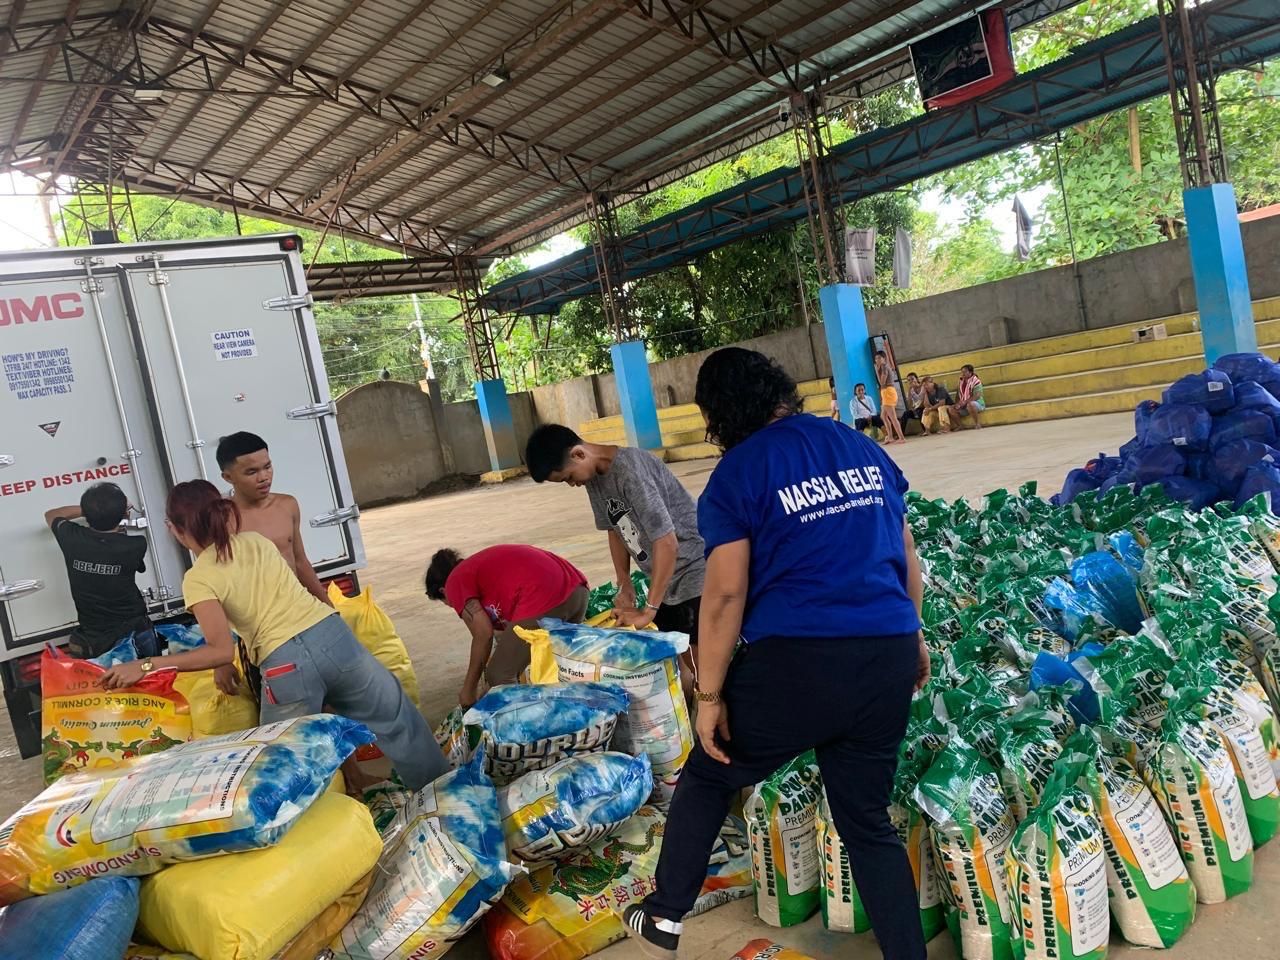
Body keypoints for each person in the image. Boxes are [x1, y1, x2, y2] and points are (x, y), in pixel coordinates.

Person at [620, 348, 929, 960]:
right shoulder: (859, 445)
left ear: (719, 414)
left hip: (800, 665)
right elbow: (905, 553)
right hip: (886, 654)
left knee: (710, 773)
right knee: (866, 823)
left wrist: (710, 696)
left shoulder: (739, 472)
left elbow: (724, 594)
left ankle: (663, 916)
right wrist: (913, 635)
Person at [97, 480, 447, 790]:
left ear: (173, 529)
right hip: (334, 639)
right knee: (399, 720)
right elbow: (262, 601)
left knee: (282, 766)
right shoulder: (256, 542)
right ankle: (447, 799)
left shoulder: (199, 578)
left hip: (286, 667)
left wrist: (145, 665)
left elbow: (220, 650)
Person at [524, 424, 706, 674]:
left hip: (693, 569)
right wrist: (624, 580)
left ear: (579, 454)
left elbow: (667, 542)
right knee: (683, 660)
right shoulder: (594, 478)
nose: (572, 484)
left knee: (703, 664)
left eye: (568, 477)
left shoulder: (630, 472)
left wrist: (649, 610)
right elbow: (614, 528)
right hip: (664, 576)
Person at [424, 545, 589, 707]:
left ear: (443, 591)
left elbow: (483, 634)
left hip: (545, 596)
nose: (455, 606)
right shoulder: (481, 571)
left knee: (499, 674)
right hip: (577, 591)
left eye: (448, 603)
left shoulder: (454, 581)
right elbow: (505, 641)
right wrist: (491, 688)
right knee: (560, 668)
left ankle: (524, 723)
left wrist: (469, 689)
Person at [44, 483, 157, 659]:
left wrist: (89, 510)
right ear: (125, 514)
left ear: (87, 514)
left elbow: (51, 514)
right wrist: (116, 509)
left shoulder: (71, 538)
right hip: (134, 632)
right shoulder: (135, 545)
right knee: (152, 674)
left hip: (93, 637)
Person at [216, 432, 330, 605]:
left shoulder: (288, 505)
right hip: (261, 616)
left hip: (299, 606)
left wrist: (328, 606)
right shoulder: (223, 519)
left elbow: (300, 561)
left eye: (267, 467)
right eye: (252, 472)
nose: (264, 477)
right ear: (228, 477)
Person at [876, 349, 906, 444]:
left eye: (879, 358)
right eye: (876, 358)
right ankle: (890, 437)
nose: (877, 360)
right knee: (883, 416)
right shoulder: (884, 367)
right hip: (886, 392)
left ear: (884, 358)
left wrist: (877, 371)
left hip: (888, 392)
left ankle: (901, 437)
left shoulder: (884, 367)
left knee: (892, 417)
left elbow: (882, 382)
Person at [951, 363, 986, 429]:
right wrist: (957, 403)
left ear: (970, 372)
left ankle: (977, 424)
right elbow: (958, 393)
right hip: (964, 405)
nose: (963, 374)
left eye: (965, 372)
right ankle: (960, 426)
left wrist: (965, 402)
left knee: (970, 404)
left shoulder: (976, 381)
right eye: (962, 372)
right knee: (951, 409)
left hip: (977, 404)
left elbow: (977, 396)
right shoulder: (960, 381)